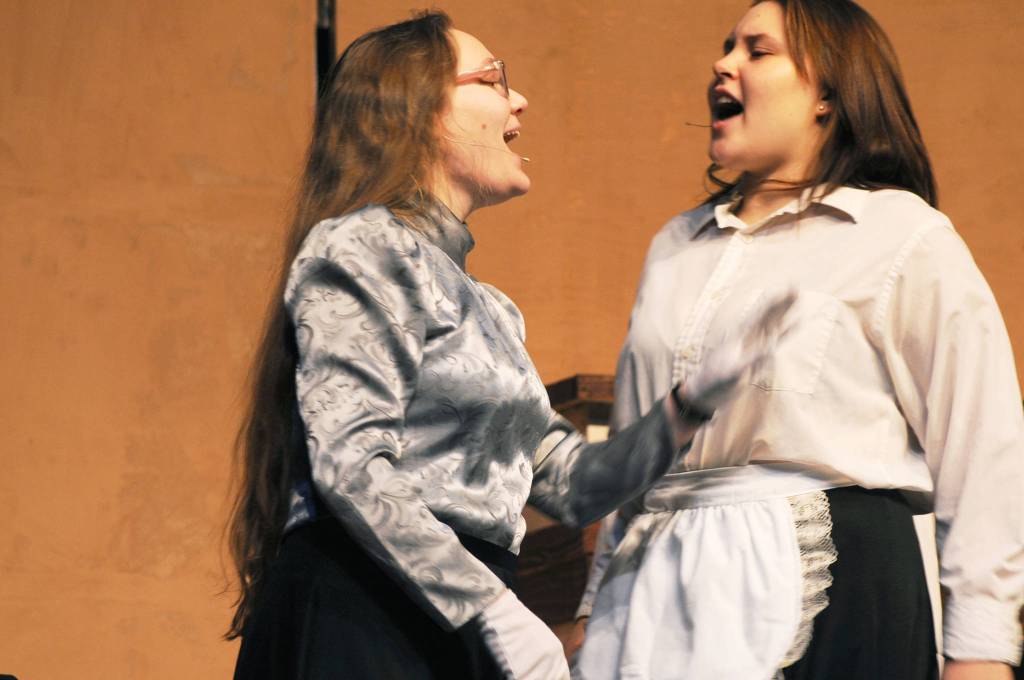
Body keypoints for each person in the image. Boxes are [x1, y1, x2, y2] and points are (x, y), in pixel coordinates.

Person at [224, 11, 793, 680]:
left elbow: (574, 485)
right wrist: (489, 607)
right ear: (419, 110)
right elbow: (351, 466)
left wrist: (691, 403)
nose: (518, 99)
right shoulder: (364, 246)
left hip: (454, 618)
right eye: (493, 79)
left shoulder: (491, 309)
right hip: (368, 609)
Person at [570, 1, 1024, 679]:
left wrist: (980, 651)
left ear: (828, 95)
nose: (722, 64)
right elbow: (637, 455)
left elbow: (983, 452)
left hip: (838, 588)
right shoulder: (676, 245)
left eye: (758, 51)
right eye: (727, 47)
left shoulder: (901, 234)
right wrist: (594, 602)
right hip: (664, 591)